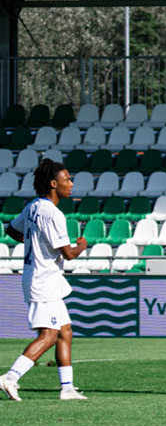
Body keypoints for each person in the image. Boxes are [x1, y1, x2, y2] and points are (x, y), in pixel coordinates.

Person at [0, 159, 90, 401]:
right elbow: (69, 254)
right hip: (43, 280)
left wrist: (33, 242)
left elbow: (11, 230)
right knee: (49, 335)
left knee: (65, 331)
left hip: (40, 277)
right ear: (53, 183)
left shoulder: (33, 207)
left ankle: (68, 388)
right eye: (67, 179)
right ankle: (10, 377)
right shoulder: (53, 213)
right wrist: (81, 245)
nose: (71, 183)